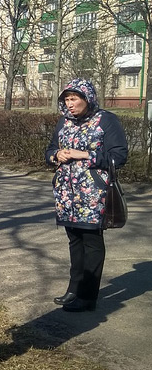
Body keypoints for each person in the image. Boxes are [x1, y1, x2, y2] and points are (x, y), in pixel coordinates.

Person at [45, 78, 128, 313]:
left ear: (87, 98)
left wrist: (85, 155)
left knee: (91, 241)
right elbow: (49, 150)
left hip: (93, 194)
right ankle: (74, 289)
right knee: (74, 240)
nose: (69, 104)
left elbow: (119, 156)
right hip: (66, 194)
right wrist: (56, 155)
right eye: (66, 100)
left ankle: (88, 296)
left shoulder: (106, 120)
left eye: (74, 99)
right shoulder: (64, 122)